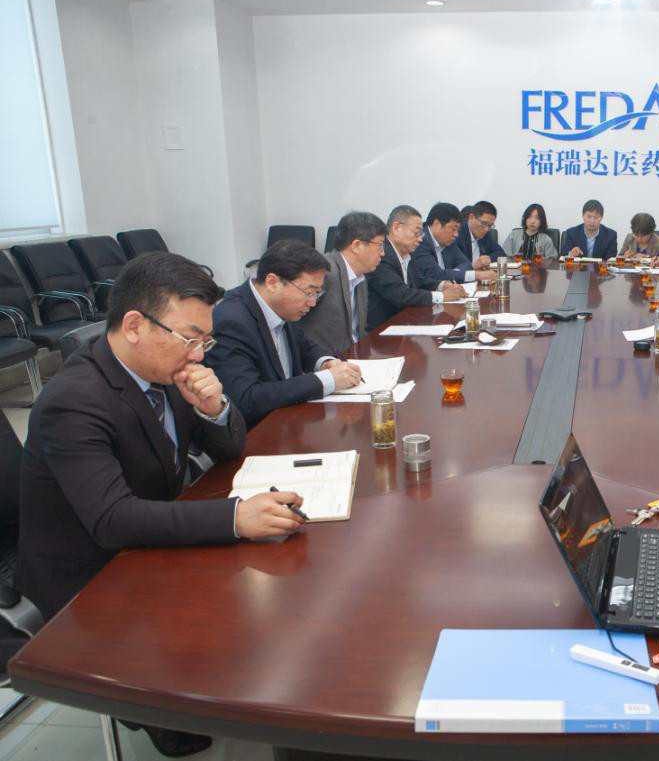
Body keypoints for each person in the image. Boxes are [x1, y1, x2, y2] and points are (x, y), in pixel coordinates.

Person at [17, 253, 305, 757]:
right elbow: (112, 519)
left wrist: (215, 409)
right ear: (134, 325)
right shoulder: (75, 400)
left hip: (148, 535)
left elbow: (230, 448)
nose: (198, 355)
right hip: (91, 571)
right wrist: (234, 517)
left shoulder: (165, 369)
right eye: (190, 338)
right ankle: (154, 697)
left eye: (205, 341)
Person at [207, 240, 363, 427]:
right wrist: (326, 380)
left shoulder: (280, 306)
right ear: (273, 282)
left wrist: (325, 363)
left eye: (317, 294)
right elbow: (247, 398)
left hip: (291, 421)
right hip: (260, 432)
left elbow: (304, 346)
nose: (312, 303)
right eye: (309, 292)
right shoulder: (231, 321)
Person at [365, 204, 468, 329]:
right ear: (396, 228)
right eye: (417, 232)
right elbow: (401, 294)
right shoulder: (381, 255)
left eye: (421, 234)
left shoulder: (407, 254)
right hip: (382, 331)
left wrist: (442, 285)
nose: (420, 239)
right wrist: (443, 296)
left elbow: (420, 280)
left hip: (405, 323)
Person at [299, 211, 385, 354]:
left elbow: (358, 331)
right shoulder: (324, 273)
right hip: (326, 361)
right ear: (357, 245)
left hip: (354, 356)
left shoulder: (360, 277)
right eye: (380, 245)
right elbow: (294, 324)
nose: (383, 253)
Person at [413, 202, 497, 285]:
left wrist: (452, 274)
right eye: (453, 229)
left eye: (457, 230)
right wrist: (476, 275)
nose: (456, 234)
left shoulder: (448, 241)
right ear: (437, 224)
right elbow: (435, 274)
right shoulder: (420, 241)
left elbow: (466, 264)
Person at [454, 200, 506, 264]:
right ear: (471, 217)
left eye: (490, 225)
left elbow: (501, 253)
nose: (486, 229)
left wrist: (488, 259)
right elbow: (456, 264)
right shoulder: (457, 234)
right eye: (484, 223)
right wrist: (473, 266)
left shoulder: (486, 233)